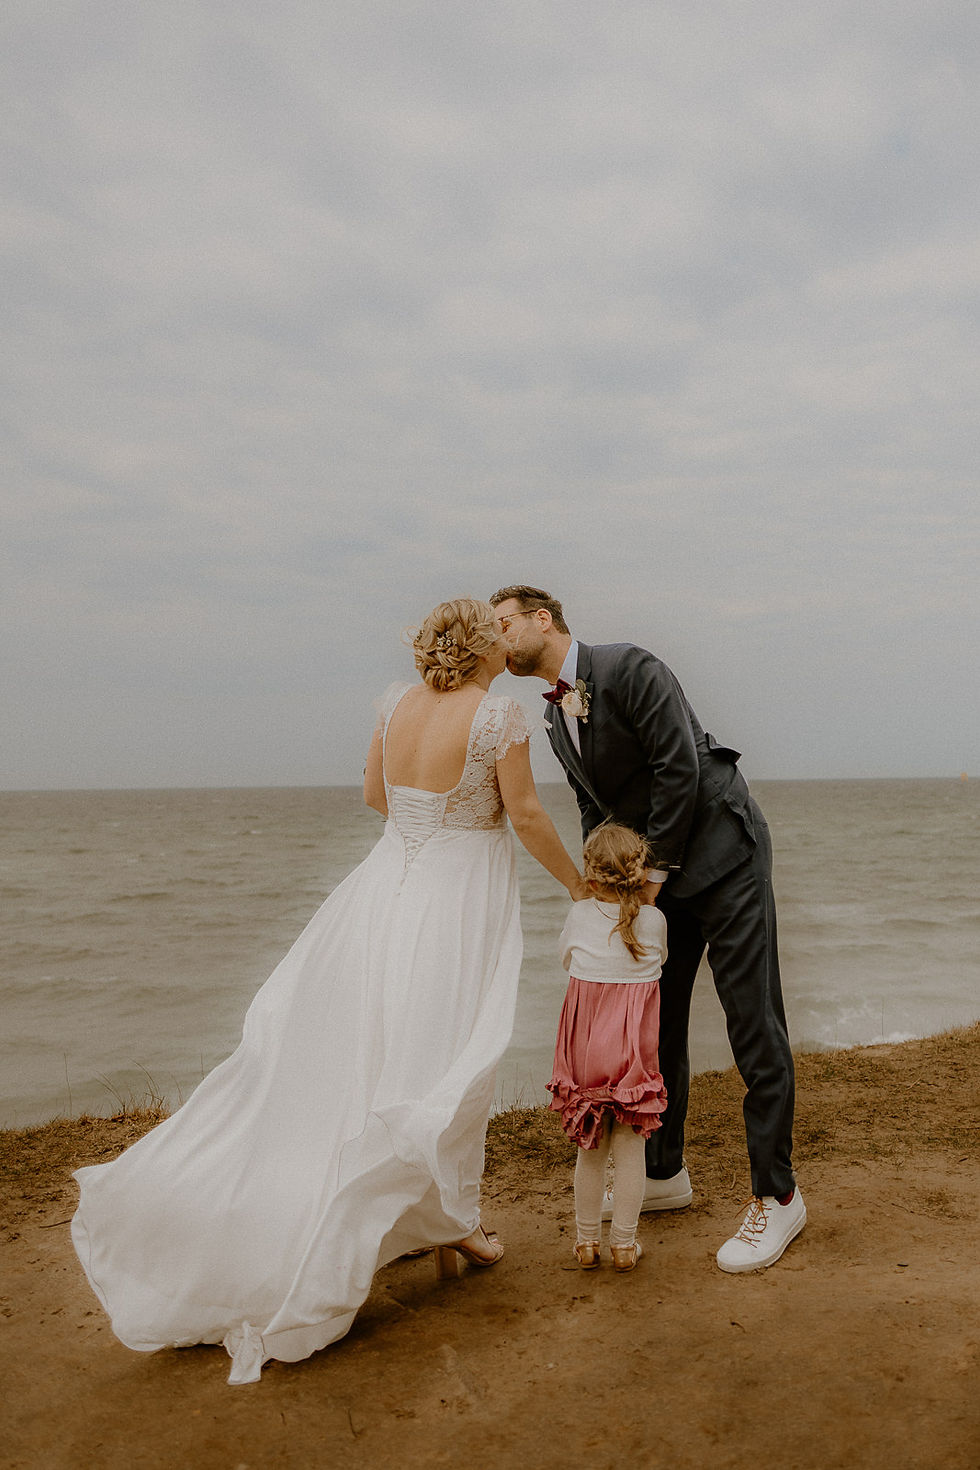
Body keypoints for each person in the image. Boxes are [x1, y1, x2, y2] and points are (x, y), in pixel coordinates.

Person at [72, 598, 586, 1383]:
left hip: (380, 891)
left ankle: (439, 1220)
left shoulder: (394, 703)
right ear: (486, 650)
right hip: (455, 900)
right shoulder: (499, 718)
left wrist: (423, 826)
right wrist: (582, 887)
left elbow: (377, 798)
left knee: (367, 1052)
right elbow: (523, 812)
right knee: (451, 1051)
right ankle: (455, 1223)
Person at [490, 585, 805, 1272]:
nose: (499, 636)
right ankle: (663, 1175)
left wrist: (651, 878)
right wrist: (604, 896)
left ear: (544, 620)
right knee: (654, 1032)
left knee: (754, 1024)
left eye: (505, 623)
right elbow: (593, 806)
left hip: (724, 856)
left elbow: (680, 766)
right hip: (655, 887)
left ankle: (777, 1197)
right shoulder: (555, 716)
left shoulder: (630, 667)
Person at [548, 823, 668, 1273]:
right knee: (630, 1146)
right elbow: (661, 962)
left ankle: (585, 1242)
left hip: (585, 1048)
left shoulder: (579, 914)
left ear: (591, 878)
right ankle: (623, 1245)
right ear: (639, 874)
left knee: (590, 1148)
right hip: (634, 1050)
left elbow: (567, 958)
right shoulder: (653, 921)